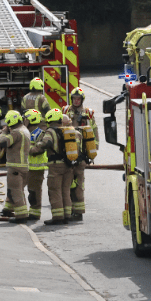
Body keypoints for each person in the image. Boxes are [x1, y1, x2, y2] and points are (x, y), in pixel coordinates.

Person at [67, 87, 97, 218]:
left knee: (78, 184)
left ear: (82, 100)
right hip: (67, 152)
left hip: (81, 153)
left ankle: (78, 212)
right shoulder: (64, 111)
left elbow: (94, 133)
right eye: (74, 99)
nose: (76, 101)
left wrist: (92, 152)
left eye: (78, 99)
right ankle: (69, 209)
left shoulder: (88, 113)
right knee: (67, 183)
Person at [45, 108, 77, 224]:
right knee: (65, 190)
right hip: (68, 164)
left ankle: (58, 217)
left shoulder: (50, 131)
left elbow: (46, 143)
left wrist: (36, 146)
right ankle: (67, 215)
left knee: (55, 190)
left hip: (55, 166)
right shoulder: (66, 130)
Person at [0, 110, 31, 220]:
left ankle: (21, 215)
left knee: (15, 191)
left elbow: (3, 142)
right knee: (17, 190)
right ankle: (8, 209)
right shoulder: (25, 130)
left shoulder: (16, 132)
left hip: (15, 166)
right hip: (24, 166)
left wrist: (4, 132)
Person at [24, 108, 48, 218]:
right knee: (28, 190)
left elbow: (39, 150)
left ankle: (35, 213)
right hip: (27, 167)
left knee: (34, 191)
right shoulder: (26, 132)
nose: (24, 120)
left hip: (36, 168)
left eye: (25, 119)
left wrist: (25, 148)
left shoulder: (40, 133)